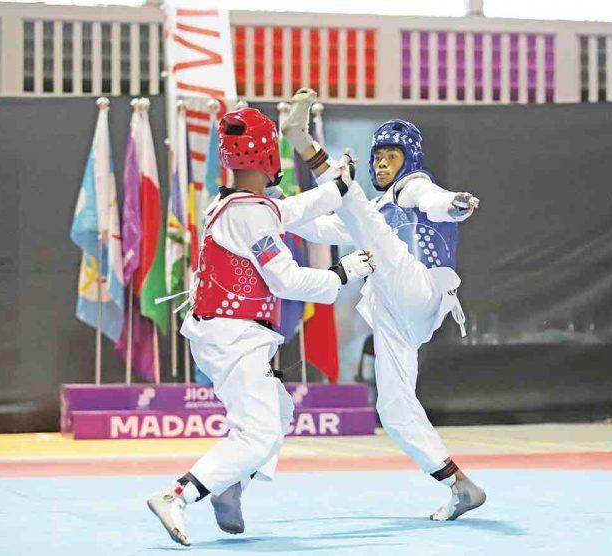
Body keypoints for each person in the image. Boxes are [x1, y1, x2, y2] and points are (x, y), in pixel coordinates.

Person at [146, 107, 375, 547]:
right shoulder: (250, 213)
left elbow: (289, 210)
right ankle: (177, 494)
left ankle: (229, 485)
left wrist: (339, 189)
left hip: (227, 334)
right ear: (270, 155)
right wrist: (342, 273)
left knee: (278, 413)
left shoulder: (235, 205)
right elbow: (285, 280)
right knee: (258, 433)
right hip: (234, 337)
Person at [278, 88, 487, 521]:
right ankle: (459, 485)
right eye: (377, 158)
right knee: (393, 409)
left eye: (390, 157)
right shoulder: (376, 207)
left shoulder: (413, 186)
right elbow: (320, 229)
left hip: (420, 288)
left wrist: (456, 205)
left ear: (408, 161)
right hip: (396, 312)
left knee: (357, 211)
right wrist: (277, 207)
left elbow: (434, 200)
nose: (381, 164)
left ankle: (300, 138)